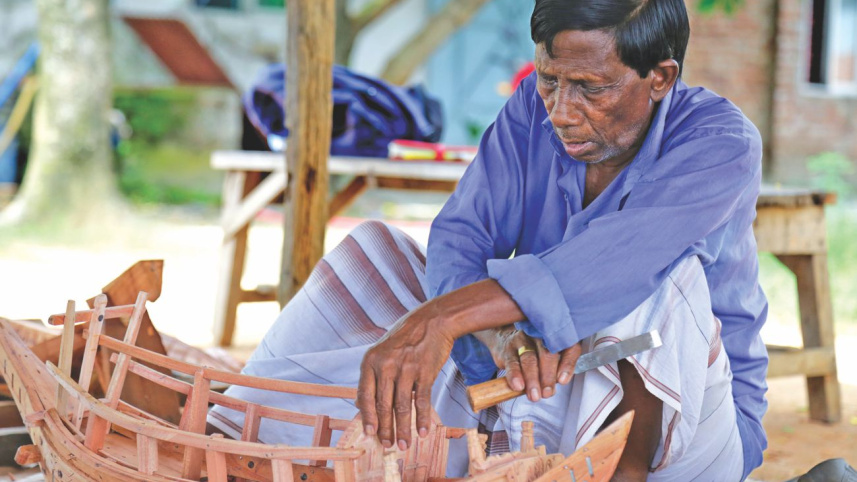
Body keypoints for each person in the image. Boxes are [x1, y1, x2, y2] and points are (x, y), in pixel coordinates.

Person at [209, 1, 768, 480]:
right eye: (550, 80)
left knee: (664, 280)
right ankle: (232, 428)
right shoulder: (531, 111)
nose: (561, 112)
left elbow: (610, 266)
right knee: (374, 250)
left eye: (589, 89)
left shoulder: (721, 142)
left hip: (690, 430)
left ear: (661, 78)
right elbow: (461, 235)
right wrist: (498, 335)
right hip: (533, 385)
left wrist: (441, 320)